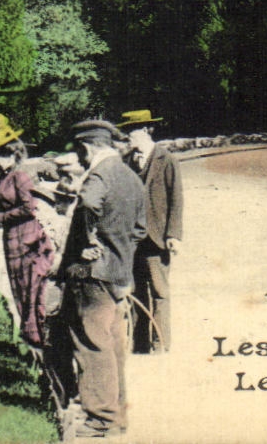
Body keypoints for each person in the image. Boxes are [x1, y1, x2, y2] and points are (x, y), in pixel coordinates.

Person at [58, 119, 148, 439]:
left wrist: (87, 244)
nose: (80, 159)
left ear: (87, 147)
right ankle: (118, 414)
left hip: (92, 274)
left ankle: (99, 419)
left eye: (80, 153)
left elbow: (87, 203)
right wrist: (119, 251)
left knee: (91, 343)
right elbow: (140, 229)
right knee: (112, 344)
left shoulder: (98, 175)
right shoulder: (130, 176)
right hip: (120, 273)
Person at [0, 115, 76, 415]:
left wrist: (0, 218)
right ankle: (34, 349)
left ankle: (42, 352)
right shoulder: (0, 176)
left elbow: (28, 208)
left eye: (4, 153)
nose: (0, 159)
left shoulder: (20, 176)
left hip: (26, 238)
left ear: (14, 152)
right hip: (11, 241)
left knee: (33, 293)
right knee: (20, 293)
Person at [117, 109, 181, 353]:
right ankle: (140, 344)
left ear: (145, 130)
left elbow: (177, 199)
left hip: (157, 238)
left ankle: (161, 344)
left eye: (130, 132)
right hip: (133, 240)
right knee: (136, 291)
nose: (127, 138)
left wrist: (173, 234)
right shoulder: (127, 162)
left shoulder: (167, 160)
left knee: (160, 291)